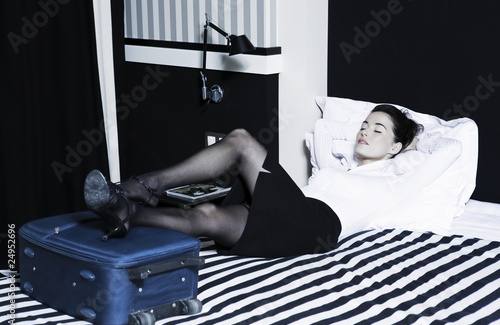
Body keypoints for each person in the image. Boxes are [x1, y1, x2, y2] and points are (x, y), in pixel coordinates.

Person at [84, 104, 459, 257]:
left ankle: (138, 186)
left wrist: (413, 136)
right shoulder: (336, 168)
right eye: (363, 125)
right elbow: (327, 131)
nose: (364, 132)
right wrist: (376, 136)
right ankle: (127, 212)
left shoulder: (395, 181)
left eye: (377, 129)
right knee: (210, 216)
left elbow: (453, 146)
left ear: (396, 146)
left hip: (319, 226)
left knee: (242, 142)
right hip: (293, 219)